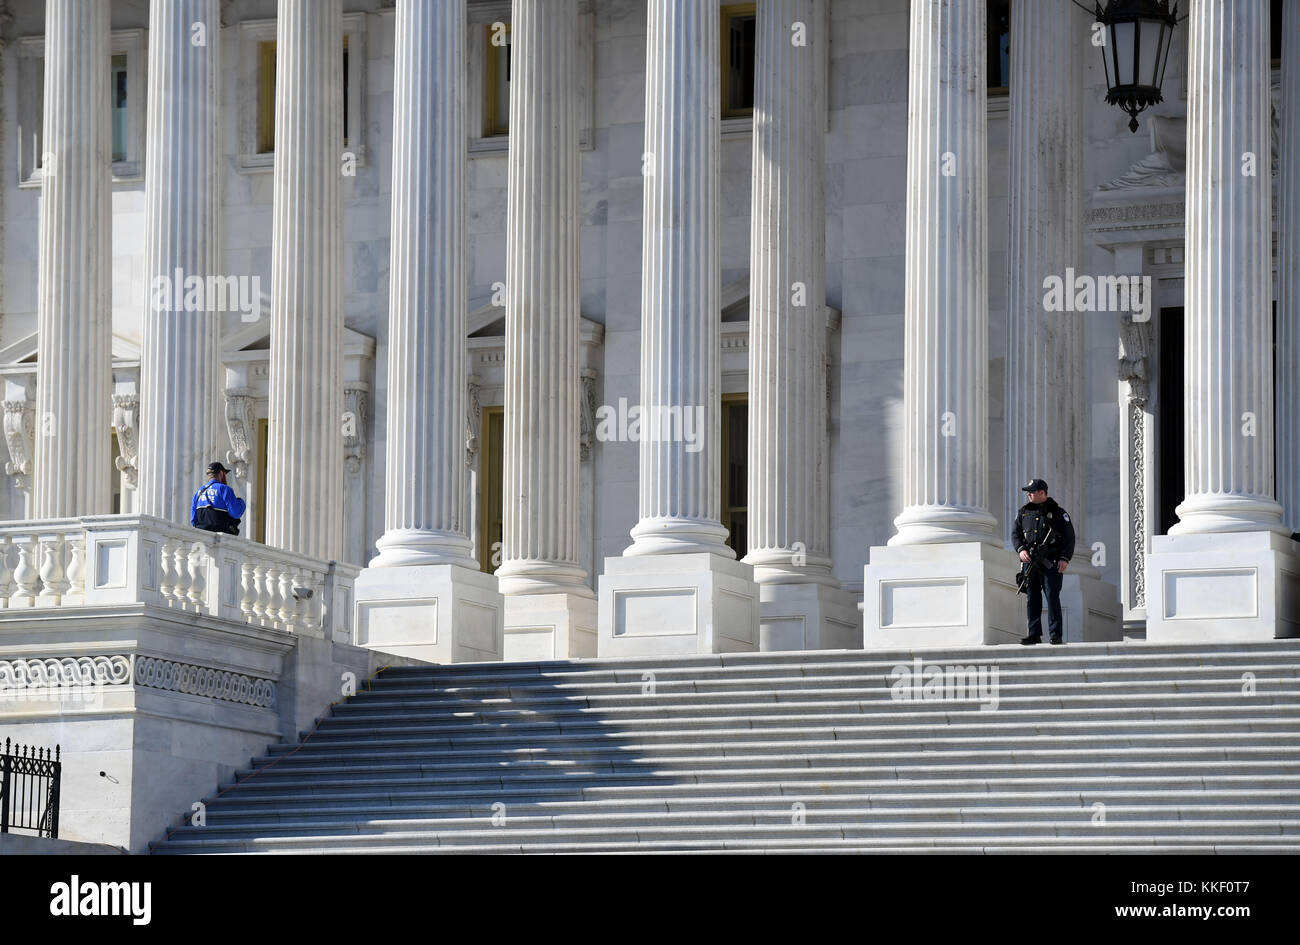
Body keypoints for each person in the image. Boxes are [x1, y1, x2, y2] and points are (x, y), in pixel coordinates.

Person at [1011, 477, 1075, 646]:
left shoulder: (1058, 513)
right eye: (1028, 492)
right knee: (1032, 598)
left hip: (1051, 562)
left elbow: (1069, 538)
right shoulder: (1023, 512)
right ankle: (1034, 633)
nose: (1029, 495)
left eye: (1032, 492)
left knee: (1052, 597)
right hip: (1030, 562)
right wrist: (1021, 550)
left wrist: (1064, 558)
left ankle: (1055, 634)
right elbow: (1015, 534)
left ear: (1042, 493)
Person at [191, 461, 247, 535]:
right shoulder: (224, 489)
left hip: (202, 536)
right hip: (220, 537)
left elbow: (193, 520)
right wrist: (241, 502)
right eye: (225, 474)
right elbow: (236, 513)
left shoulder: (198, 492)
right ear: (221, 473)